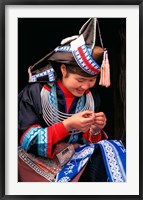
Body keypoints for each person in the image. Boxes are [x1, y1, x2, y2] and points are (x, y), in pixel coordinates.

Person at [18, 18, 126, 182]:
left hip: (74, 162)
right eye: (80, 80)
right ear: (63, 70)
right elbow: (27, 140)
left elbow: (87, 142)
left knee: (110, 149)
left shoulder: (91, 98)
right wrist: (67, 125)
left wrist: (95, 131)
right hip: (34, 163)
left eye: (91, 80)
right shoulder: (35, 92)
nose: (85, 86)